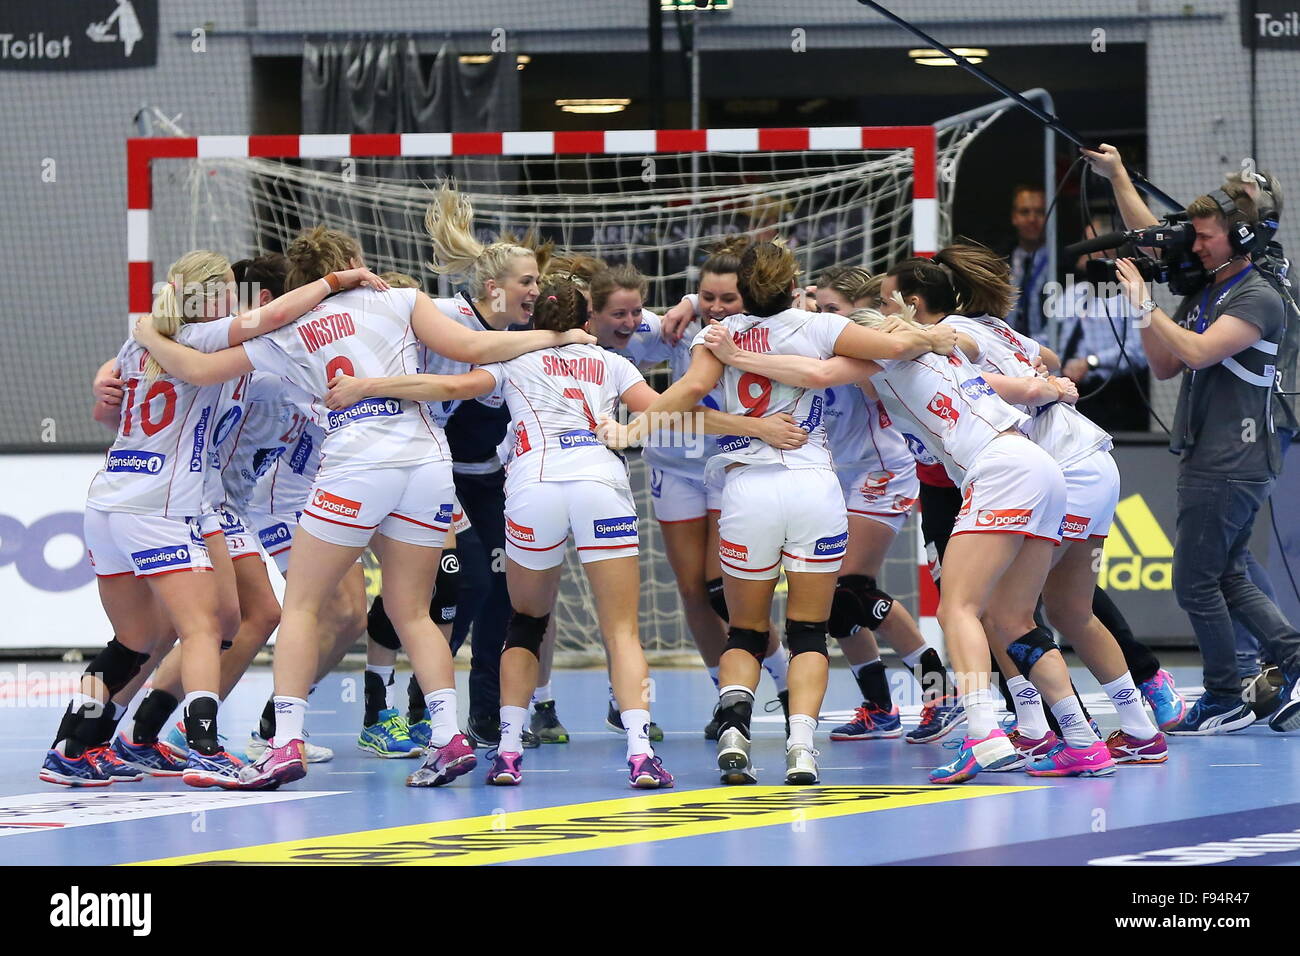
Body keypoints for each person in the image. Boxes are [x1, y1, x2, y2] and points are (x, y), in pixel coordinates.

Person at [131, 226, 595, 790]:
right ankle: (448, 737)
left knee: (302, 606)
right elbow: (474, 348)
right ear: (354, 261)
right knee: (414, 612)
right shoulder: (401, 298)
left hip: (357, 459)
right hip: (426, 461)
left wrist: (148, 337)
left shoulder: (291, 323)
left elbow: (199, 368)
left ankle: (282, 744)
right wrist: (556, 335)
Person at [699, 273, 1120, 782]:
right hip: (1035, 466)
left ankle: (975, 728)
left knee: (951, 607)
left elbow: (813, 371)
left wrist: (738, 357)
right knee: (1013, 618)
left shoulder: (884, 355)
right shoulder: (931, 341)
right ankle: (1079, 739)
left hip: (968, 471)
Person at [607, 240, 958, 785]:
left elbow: (690, 390)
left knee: (745, 630)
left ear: (742, 291)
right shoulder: (817, 327)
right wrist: (933, 334)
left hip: (753, 488)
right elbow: (891, 349)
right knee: (812, 629)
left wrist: (632, 430)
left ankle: (735, 733)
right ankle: (802, 749)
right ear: (794, 285)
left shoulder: (717, 335)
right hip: (817, 485)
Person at [326, 279, 699, 788]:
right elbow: (667, 408)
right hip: (598, 483)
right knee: (622, 630)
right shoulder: (614, 362)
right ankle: (639, 752)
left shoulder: (510, 360)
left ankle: (506, 752)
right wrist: (637, 431)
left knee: (524, 622)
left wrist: (368, 385)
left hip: (534, 486)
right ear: (587, 323)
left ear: (530, 323)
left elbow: (449, 388)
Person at [41, 250, 366, 788]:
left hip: (122, 498)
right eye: (226, 294)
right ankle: (201, 747)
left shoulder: (143, 340)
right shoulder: (203, 338)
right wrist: (334, 282)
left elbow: (113, 409)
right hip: (167, 504)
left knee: (144, 637)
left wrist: (140, 340)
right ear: (209, 297)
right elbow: (264, 324)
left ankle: (74, 744)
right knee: (198, 628)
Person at [1083, 143, 1300, 733]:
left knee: (1195, 579)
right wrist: (1119, 178)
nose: (1195, 245)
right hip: (1215, 447)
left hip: (1236, 450)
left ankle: (1228, 692)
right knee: (1225, 571)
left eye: (1208, 236)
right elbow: (1165, 363)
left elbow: (1200, 350)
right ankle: (1285, 664)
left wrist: (1145, 306)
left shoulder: (1257, 293)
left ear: (1247, 233)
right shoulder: (1209, 288)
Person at [579, 247, 800, 737]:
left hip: (730, 463)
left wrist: (690, 304)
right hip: (674, 467)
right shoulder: (674, 329)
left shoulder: (762, 332)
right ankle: (726, 696)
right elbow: (607, 327)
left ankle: (784, 684)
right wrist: (684, 305)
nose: (717, 307)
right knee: (692, 591)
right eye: (707, 297)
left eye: (728, 298)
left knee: (724, 589)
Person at [423, 185, 549, 750]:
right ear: (495, 288)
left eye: (539, 282)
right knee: (462, 584)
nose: (536, 291)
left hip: (488, 481)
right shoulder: (447, 315)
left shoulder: (517, 336)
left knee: (504, 588)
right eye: (528, 282)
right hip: (425, 474)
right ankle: (417, 708)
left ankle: (486, 716)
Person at [1057, 217, 1152, 432]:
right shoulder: (1072, 292)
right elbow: (1051, 336)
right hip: (1068, 391)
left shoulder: (1129, 294)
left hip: (1112, 395)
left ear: (1108, 249)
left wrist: (1091, 362)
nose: (1085, 249)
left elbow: (1138, 351)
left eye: (1090, 243)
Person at [1003, 185, 1051, 340]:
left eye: (1040, 212)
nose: (1032, 219)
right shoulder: (998, 261)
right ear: (1014, 217)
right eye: (1025, 212)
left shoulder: (1064, 263)